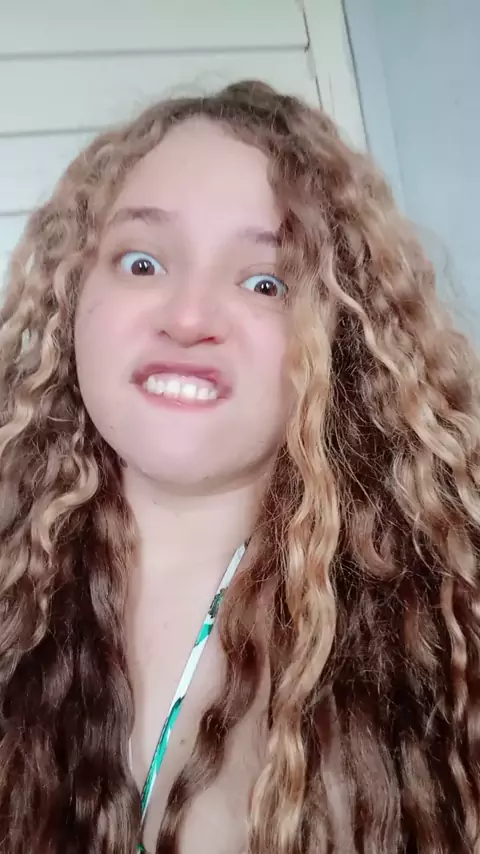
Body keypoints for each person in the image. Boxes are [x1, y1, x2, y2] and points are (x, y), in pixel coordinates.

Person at [0, 78, 479, 854]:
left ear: (338, 334)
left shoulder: (447, 632)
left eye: (266, 282)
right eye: (142, 262)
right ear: (70, 297)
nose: (189, 318)